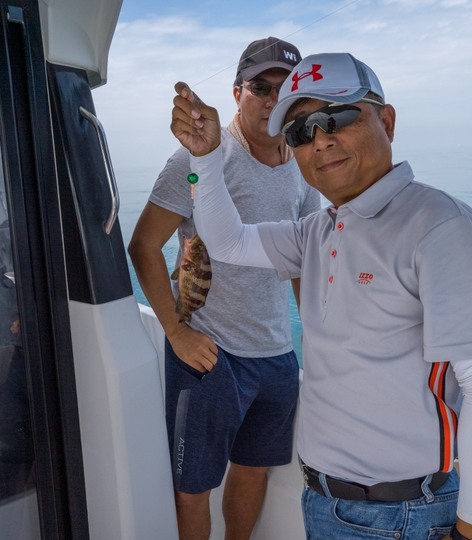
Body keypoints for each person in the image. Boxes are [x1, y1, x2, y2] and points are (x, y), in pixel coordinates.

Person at [169, 52, 472, 540]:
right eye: (300, 131)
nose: (320, 140)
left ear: (387, 120)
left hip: (404, 514)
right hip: (325, 505)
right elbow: (226, 241)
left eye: (338, 117)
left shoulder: (440, 227)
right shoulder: (317, 231)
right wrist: (205, 159)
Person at [128, 37, 320, 540]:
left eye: (285, 91)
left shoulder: (304, 167)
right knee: (194, 488)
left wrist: (318, 343)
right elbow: (144, 245)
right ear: (238, 93)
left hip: (277, 354)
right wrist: (176, 333)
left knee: (253, 470)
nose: (273, 100)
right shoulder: (198, 159)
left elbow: (302, 262)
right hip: (209, 352)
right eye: (262, 87)